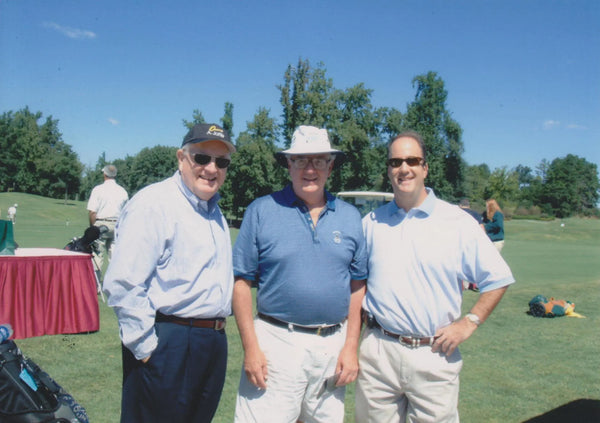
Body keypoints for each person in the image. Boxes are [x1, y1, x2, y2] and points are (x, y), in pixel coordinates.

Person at [356, 131, 515, 422]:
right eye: (395, 162)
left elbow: (498, 278)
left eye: (412, 160)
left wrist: (470, 322)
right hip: (379, 351)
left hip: (434, 354)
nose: (403, 168)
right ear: (388, 170)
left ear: (425, 167)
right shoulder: (372, 223)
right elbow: (355, 285)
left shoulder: (457, 222)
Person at [232, 125, 368, 423]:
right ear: (288, 164)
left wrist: (350, 347)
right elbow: (241, 282)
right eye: (301, 160)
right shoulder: (262, 210)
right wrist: (251, 347)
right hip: (276, 342)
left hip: (332, 345)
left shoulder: (349, 216)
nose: (310, 169)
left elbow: (358, 286)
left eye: (319, 160)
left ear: (330, 166)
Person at [103, 123, 236, 423]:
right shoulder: (154, 204)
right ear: (181, 158)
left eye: (221, 162)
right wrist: (147, 349)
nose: (211, 168)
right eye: (201, 158)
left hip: (211, 342)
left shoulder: (214, 212)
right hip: (170, 340)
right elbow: (123, 283)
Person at [86, 164, 129, 273]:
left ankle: (96, 287)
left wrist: (93, 229)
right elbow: (126, 213)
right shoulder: (122, 191)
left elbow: (92, 212)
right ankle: (117, 287)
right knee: (115, 259)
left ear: (104, 174)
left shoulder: (98, 189)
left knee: (97, 257)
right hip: (117, 225)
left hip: (101, 224)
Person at [458, 198, 485, 291]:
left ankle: (464, 285)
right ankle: (474, 283)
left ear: (460, 205)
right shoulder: (476, 214)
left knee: (461, 263)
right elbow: (481, 228)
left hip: (459, 241)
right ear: (469, 205)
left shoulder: (456, 213)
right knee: (473, 263)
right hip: (472, 241)